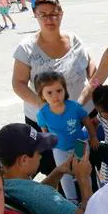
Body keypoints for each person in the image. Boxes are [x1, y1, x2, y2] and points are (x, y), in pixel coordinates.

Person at [10, 0, 93, 175]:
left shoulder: (75, 39)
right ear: (35, 15)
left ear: (61, 13)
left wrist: (86, 96)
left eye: (54, 13)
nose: (50, 19)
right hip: (48, 122)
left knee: (85, 165)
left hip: (79, 115)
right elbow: (18, 83)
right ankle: (65, 200)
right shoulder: (26, 48)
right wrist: (43, 105)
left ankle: (86, 198)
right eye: (43, 14)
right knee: (56, 169)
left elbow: (91, 68)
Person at [33, 71, 90, 203]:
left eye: (59, 90)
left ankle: (89, 197)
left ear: (65, 89)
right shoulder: (42, 114)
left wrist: (92, 137)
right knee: (63, 173)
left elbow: (86, 120)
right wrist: (50, 147)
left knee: (82, 170)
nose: (55, 96)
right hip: (59, 148)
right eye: (49, 93)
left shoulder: (74, 107)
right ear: (41, 95)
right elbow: (45, 133)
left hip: (79, 143)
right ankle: (71, 199)